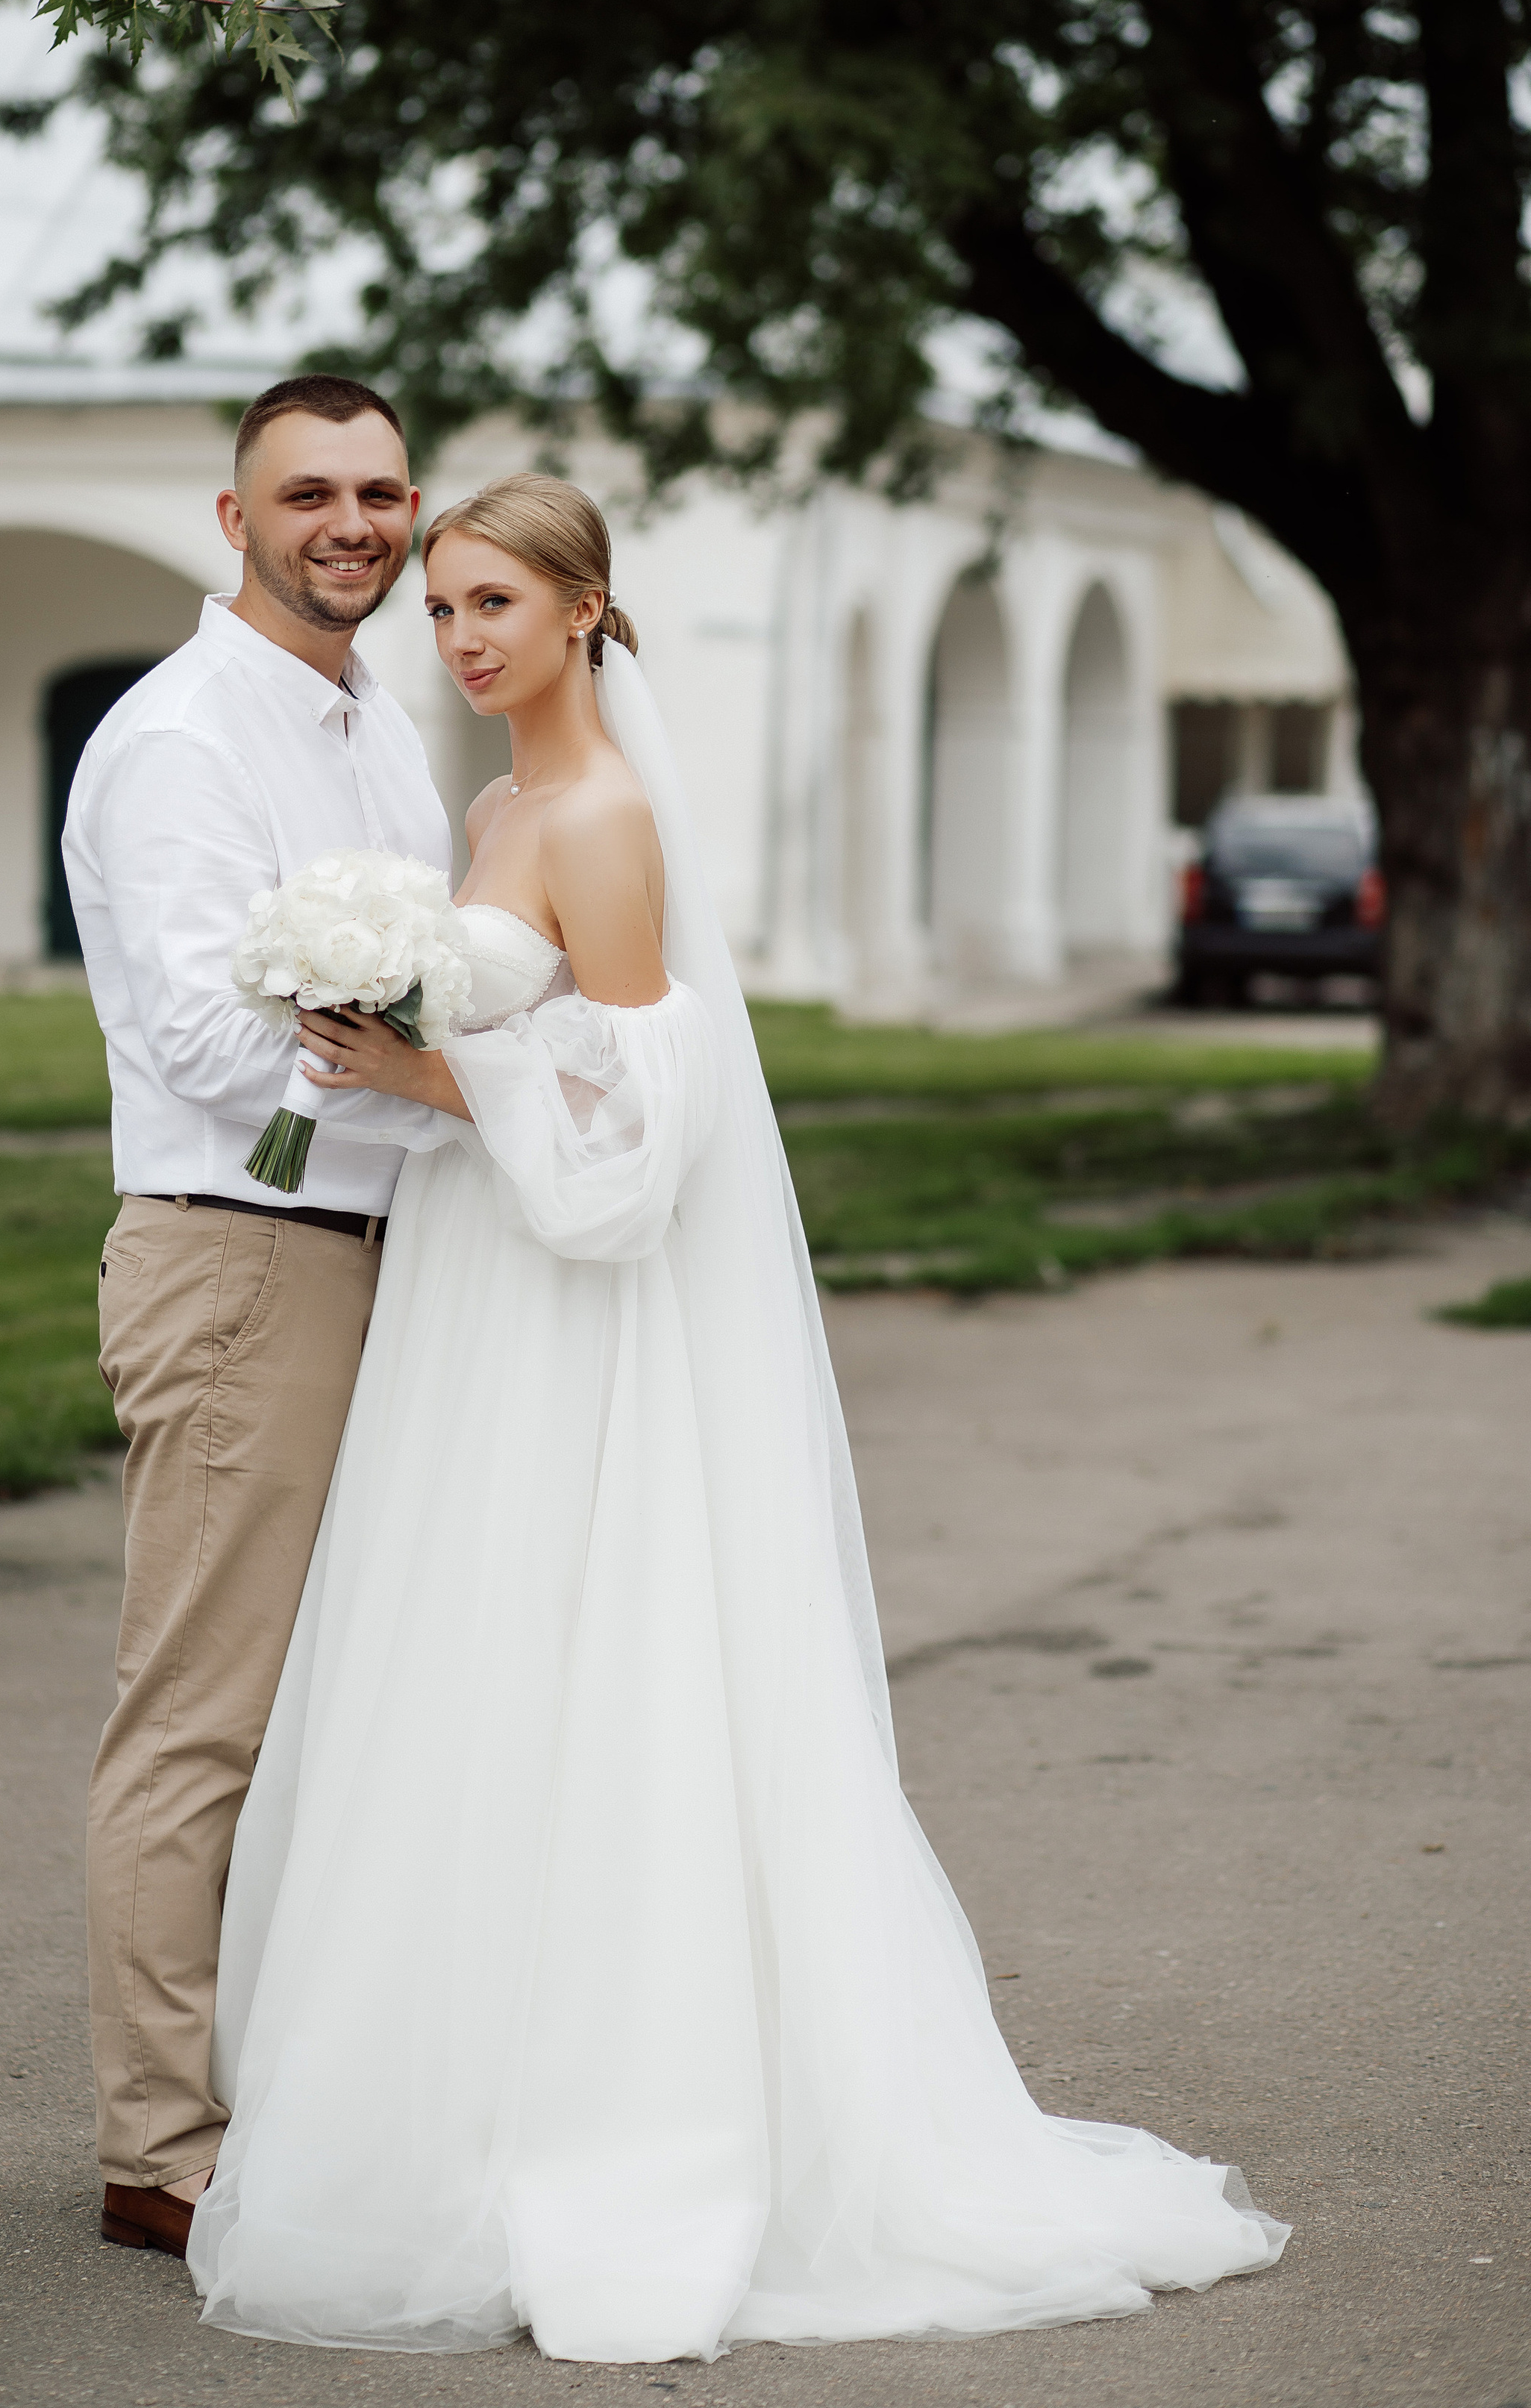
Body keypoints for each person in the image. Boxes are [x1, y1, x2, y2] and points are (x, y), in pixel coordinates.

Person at [187, 473, 1289, 2361]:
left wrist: (425, 1079)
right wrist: (405, 1048)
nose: (457, 637)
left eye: (492, 606)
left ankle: (622, 2118)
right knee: (466, 1667)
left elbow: (638, 1121)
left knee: (589, 1665)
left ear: (584, 611)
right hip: (477, 1291)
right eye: (442, 607)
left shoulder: (600, 818)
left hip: (564, 1301)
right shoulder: (489, 806)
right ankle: (461, 2087)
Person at [61, 374, 452, 2260]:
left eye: (381, 491)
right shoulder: (182, 740)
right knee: (202, 1718)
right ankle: (162, 2147)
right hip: (243, 1258)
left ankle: (304, 2092)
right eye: (308, 494)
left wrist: (429, 1061)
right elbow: (212, 1051)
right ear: (235, 521)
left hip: (395, 1255)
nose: (352, 524)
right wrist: (458, 1073)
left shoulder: (383, 721)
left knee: (344, 1714)